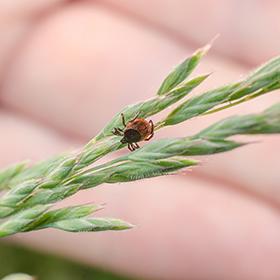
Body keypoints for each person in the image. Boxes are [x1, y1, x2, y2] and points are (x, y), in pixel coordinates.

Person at [1, 1, 280, 279]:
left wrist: (139, 131)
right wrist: (141, 131)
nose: (128, 138)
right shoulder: (135, 133)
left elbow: (138, 130)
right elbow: (140, 130)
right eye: (129, 136)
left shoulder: (132, 133)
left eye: (128, 136)